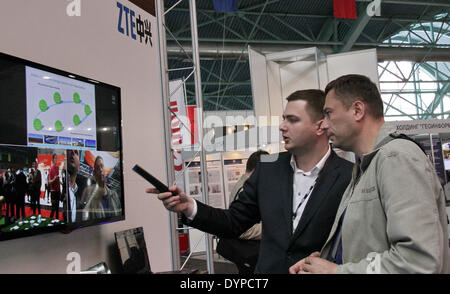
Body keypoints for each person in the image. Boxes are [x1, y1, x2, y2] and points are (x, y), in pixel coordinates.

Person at [147, 89, 353, 274]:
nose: (282, 126)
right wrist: (189, 207)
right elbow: (233, 222)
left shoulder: (349, 176)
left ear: (320, 126)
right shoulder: (268, 169)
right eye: (283, 119)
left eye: (292, 120)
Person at [289, 74, 449, 274]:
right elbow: (369, 244)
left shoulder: (396, 157)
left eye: (329, 113)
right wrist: (323, 262)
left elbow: (417, 261)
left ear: (357, 110)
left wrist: (336, 272)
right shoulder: (365, 167)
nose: (324, 124)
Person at [216, 150, 269, 274]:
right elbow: (242, 228)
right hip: (248, 252)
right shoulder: (244, 189)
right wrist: (271, 229)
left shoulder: (248, 186)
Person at [81, 156, 121, 221]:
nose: (100, 169)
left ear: (105, 171)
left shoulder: (114, 195)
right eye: (97, 168)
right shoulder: (90, 200)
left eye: (102, 166)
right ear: (94, 174)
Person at [63, 149, 87, 223]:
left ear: (79, 165)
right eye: (70, 150)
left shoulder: (79, 193)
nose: (73, 153)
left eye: (76, 152)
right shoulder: (63, 184)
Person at [49, 154, 61, 219]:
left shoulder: (57, 168)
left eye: (57, 158)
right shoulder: (51, 169)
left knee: (57, 208)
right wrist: (54, 179)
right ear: (53, 159)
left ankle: (57, 220)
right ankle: (50, 220)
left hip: (58, 190)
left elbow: (58, 180)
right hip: (53, 191)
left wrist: (60, 190)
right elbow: (49, 181)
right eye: (55, 158)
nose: (56, 160)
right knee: (53, 208)